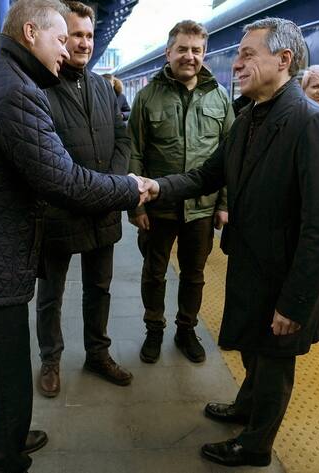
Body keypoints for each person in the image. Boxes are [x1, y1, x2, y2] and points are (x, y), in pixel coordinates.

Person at [0, 1, 149, 471]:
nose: (67, 50)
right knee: (7, 378)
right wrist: (130, 188)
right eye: (60, 39)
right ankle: (6, 455)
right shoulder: (16, 91)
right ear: (31, 33)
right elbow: (62, 180)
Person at [142, 18, 319, 467]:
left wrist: (295, 303)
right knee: (256, 353)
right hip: (252, 267)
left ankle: (256, 445)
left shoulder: (315, 124)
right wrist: (157, 187)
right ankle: (245, 406)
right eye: (238, 55)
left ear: (284, 59)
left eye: (247, 54)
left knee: (274, 364)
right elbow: (206, 175)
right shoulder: (249, 118)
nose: (235, 64)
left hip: (282, 279)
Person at [35, 1, 133, 398]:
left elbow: (123, 137)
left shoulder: (103, 87)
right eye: (76, 35)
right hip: (58, 210)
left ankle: (97, 353)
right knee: (51, 294)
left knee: (99, 287)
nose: (85, 43)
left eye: (89, 35)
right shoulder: (41, 86)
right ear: (61, 37)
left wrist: (112, 183)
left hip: (102, 208)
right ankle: (51, 360)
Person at [127, 19, 234, 364]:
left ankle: (186, 330)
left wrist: (224, 203)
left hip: (202, 208)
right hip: (158, 206)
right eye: (183, 49)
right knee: (154, 272)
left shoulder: (220, 97)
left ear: (204, 53)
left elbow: (229, 155)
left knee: (194, 275)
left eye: (197, 50)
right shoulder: (147, 97)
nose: (190, 56)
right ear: (168, 52)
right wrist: (136, 206)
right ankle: (154, 329)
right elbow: (134, 152)